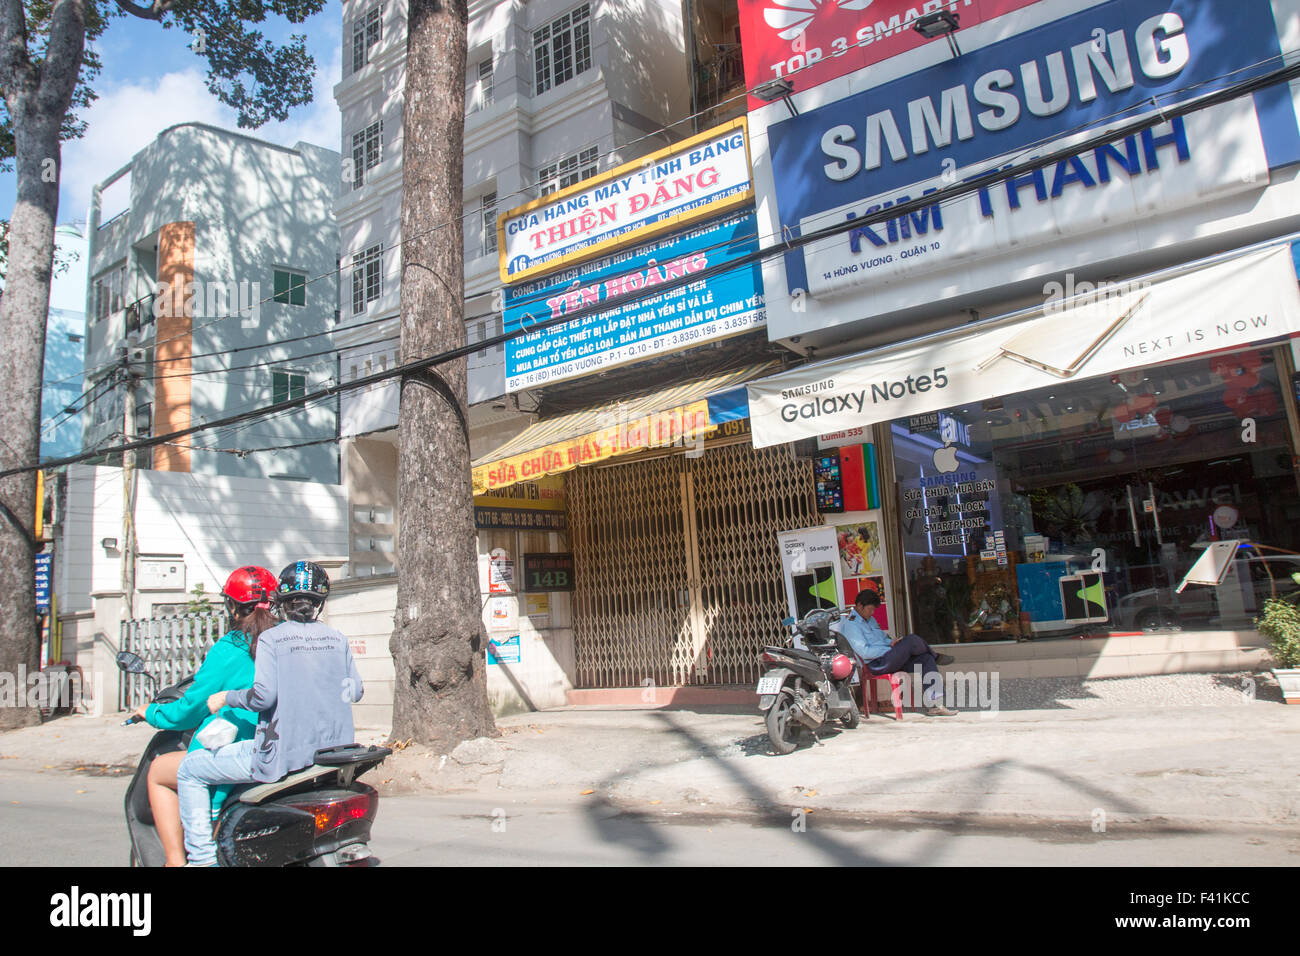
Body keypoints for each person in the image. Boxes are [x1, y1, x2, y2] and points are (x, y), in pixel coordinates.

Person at [175, 560, 364, 866]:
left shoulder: (272, 639)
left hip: (278, 754)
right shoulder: (337, 638)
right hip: (331, 754)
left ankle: (201, 860)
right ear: (321, 602)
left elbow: (263, 697)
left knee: (189, 770)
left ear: (282, 601)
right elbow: (354, 691)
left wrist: (227, 697)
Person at [133, 566, 278, 866]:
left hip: (240, 748)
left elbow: (190, 709)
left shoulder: (232, 647)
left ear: (233, 606)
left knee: (159, 771)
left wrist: (151, 712)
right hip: (281, 744)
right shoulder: (284, 641)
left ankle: (176, 860)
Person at [834, 589, 959, 717]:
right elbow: (865, 652)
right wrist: (891, 650)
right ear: (860, 606)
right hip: (877, 663)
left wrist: (892, 643)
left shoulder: (870, 619)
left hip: (890, 658)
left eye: (873, 610)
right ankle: (936, 656)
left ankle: (936, 705)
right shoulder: (851, 624)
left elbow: (882, 639)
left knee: (926, 659)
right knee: (912, 639)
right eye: (870, 609)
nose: (872, 613)